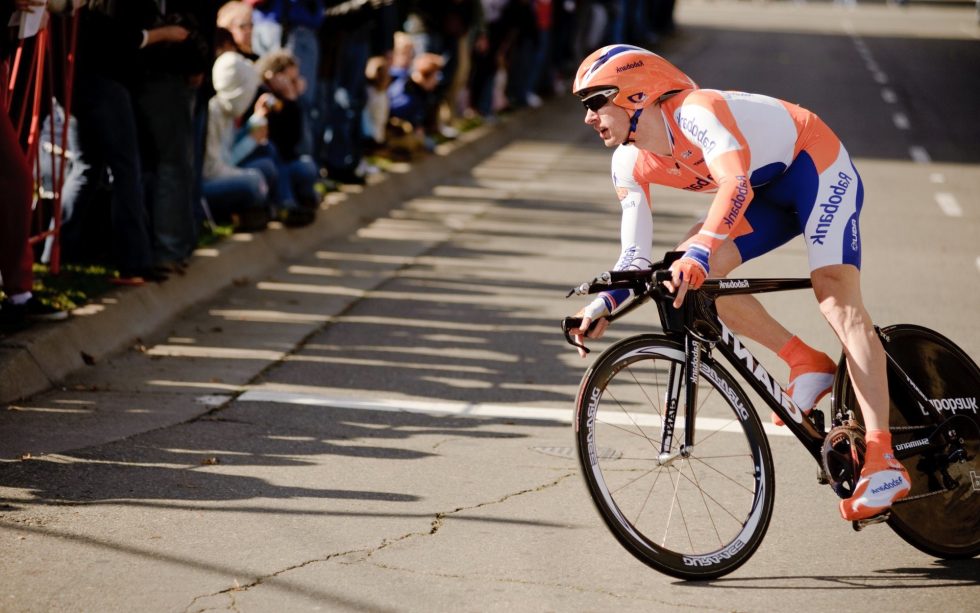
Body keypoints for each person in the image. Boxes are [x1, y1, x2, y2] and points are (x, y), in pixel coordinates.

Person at [568, 44, 910, 522]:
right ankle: (805, 361)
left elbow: (736, 184)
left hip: (814, 166)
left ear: (636, 95)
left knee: (834, 295)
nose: (588, 117)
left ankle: (883, 457)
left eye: (595, 101)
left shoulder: (695, 111)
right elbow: (635, 257)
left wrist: (701, 250)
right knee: (687, 273)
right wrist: (604, 304)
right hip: (763, 195)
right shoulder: (628, 162)